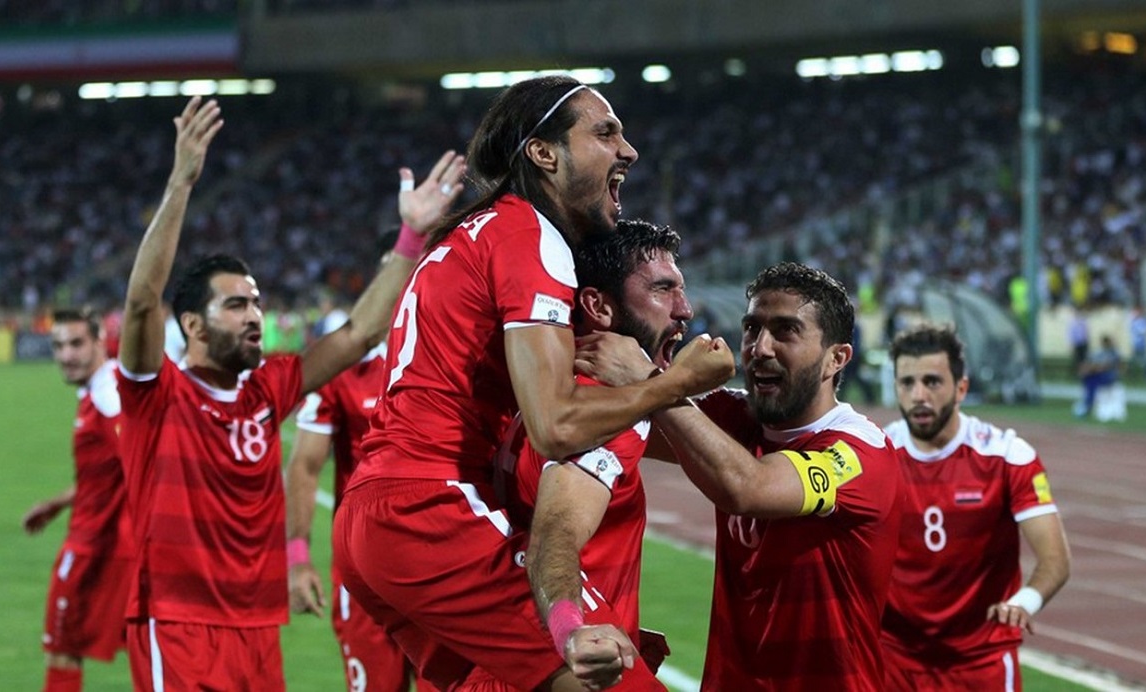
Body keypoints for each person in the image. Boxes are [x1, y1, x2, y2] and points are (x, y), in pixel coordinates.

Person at [333, 75, 735, 692]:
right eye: (605, 133)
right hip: (431, 509)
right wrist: (669, 384)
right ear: (544, 154)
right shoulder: (529, 236)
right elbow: (555, 425)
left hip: (375, 514)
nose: (628, 151)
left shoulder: (469, 235)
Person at [115, 96, 449, 690]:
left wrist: (411, 238)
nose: (255, 316)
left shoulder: (266, 390)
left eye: (256, 303)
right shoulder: (156, 394)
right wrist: (181, 183)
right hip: (177, 619)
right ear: (192, 325)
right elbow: (142, 301)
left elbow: (358, 333)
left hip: (257, 624)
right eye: (235, 304)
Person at [578, 261, 902, 690]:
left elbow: (748, 488)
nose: (760, 348)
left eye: (785, 331)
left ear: (836, 358)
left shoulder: (858, 452)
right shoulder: (732, 414)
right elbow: (609, 426)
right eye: (752, 329)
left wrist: (653, 381)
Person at [486, 219, 692, 691]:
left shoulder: (543, 392)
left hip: (513, 657)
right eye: (663, 289)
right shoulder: (606, 404)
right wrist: (572, 631)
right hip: (571, 663)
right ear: (598, 306)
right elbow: (554, 535)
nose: (685, 309)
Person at [285, 156, 465, 692]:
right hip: (365, 571)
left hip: (447, 564)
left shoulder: (465, 358)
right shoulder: (342, 371)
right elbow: (304, 467)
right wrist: (297, 557)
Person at [881, 324, 1071, 690]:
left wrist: (1023, 603)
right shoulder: (875, 456)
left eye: (932, 382)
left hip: (982, 660)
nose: (919, 395)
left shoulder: (1007, 456)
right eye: (907, 383)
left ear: (961, 388)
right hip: (895, 660)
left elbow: (1055, 559)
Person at [22, 308, 134, 692]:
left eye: (76, 344)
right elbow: (112, 471)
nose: (66, 355)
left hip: (97, 546)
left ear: (100, 341)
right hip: (115, 542)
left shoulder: (108, 396)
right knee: (152, 651)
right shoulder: (103, 389)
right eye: (58, 346)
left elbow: (140, 460)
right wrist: (58, 502)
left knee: (62, 649)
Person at [1074, 333, 1122, 418]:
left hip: (1109, 376)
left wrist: (1093, 369)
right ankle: (1087, 404)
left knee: (1092, 381)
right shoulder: (1098, 352)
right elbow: (1089, 363)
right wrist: (1086, 370)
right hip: (1096, 375)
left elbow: (1106, 366)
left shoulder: (1113, 353)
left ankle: (1088, 405)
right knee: (1089, 380)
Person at [1129, 306, 1146, 380]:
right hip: (1137, 344)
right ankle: (1132, 375)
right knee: (1134, 361)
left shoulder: (1142, 321)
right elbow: (1143, 331)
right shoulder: (1134, 322)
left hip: (1142, 344)